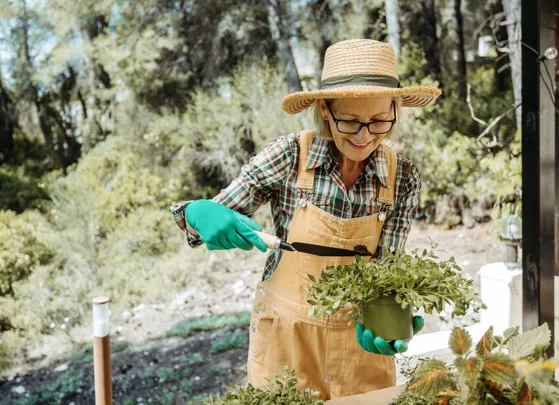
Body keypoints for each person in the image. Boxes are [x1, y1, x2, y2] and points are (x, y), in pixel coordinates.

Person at [170, 39, 441, 399]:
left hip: (358, 344)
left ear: (395, 110)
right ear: (326, 111)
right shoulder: (288, 156)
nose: (364, 136)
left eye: (378, 121)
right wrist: (196, 213)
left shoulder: (401, 176)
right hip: (286, 339)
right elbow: (214, 216)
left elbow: (388, 264)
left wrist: (388, 318)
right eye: (349, 121)